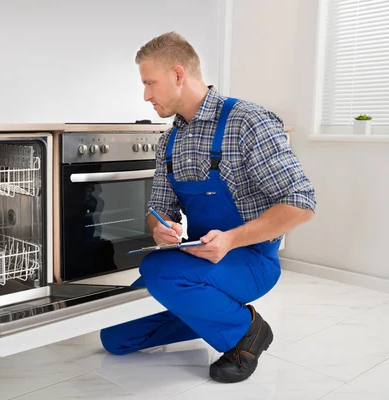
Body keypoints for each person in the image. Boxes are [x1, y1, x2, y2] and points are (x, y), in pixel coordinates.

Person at [99, 32, 316, 384]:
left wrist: (231, 240)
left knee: (157, 269)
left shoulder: (248, 121)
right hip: (198, 261)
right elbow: (157, 209)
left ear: (178, 75)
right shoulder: (169, 141)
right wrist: (160, 226)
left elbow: (302, 203)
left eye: (150, 83)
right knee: (116, 336)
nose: (146, 95)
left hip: (250, 259)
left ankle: (246, 330)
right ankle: (209, 310)